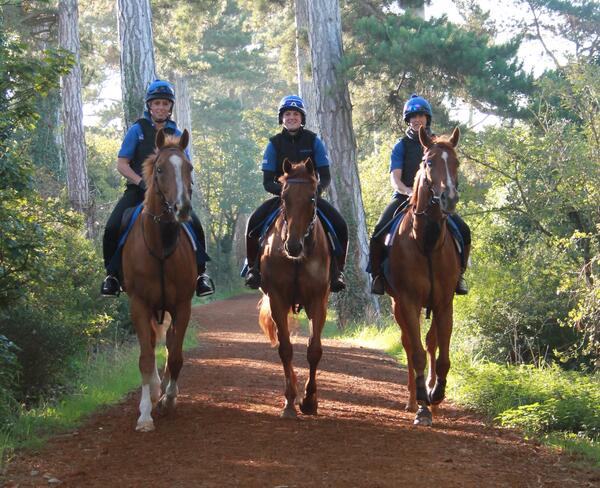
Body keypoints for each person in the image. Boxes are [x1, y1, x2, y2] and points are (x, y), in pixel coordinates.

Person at [100, 79, 214, 297]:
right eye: (156, 103)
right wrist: (142, 182)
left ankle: (201, 275)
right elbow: (122, 163)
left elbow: (185, 165)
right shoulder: (137, 130)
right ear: (149, 106)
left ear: (170, 107)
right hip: (138, 191)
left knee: (195, 225)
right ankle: (112, 276)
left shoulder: (177, 133)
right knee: (113, 226)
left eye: (165, 103)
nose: (161, 107)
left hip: (171, 194)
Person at [244, 95, 348, 292]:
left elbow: (325, 176)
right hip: (283, 199)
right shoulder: (273, 144)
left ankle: (337, 271)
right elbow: (267, 182)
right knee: (253, 222)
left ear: (302, 118)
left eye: (296, 114)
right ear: (281, 118)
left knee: (340, 225)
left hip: (310, 199)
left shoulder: (314, 141)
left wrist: (313, 192)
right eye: (287, 114)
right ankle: (253, 268)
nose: (292, 117)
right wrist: (287, 193)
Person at [369, 94, 471, 295]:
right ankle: (377, 276)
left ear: (427, 119)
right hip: (405, 196)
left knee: (463, 230)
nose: (417, 119)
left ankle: (459, 276)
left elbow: (449, 173)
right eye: (413, 116)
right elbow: (395, 178)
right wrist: (408, 191)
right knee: (379, 230)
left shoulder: (440, 146)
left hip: (435, 199)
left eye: (421, 116)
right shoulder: (401, 146)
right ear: (408, 120)